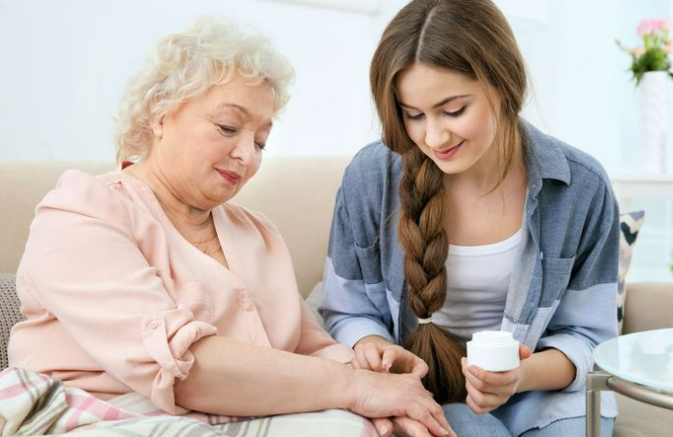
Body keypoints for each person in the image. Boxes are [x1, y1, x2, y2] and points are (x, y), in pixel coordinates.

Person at [7, 17, 453, 436]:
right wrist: (358, 389)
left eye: (261, 141)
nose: (247, 155)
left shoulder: (257, 234)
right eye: (227, 126)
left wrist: (367, 367)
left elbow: (311, 349)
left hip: (241, 416)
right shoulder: (82, 212)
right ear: (159, 113)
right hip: (110, 413)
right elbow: (182, 367)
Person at [319, 0, 619, 436]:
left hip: (546, 397)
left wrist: (518, 377)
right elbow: (347, 312)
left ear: (502, 84)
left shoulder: (579, 187)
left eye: (454, 110)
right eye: (413, 115)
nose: (434, 137)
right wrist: (375, 349)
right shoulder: (371, 180)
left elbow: (591, 338)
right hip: (428, 393)